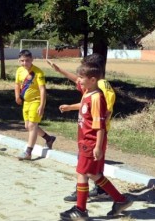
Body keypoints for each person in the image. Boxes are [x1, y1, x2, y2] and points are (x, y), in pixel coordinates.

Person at [57, 62, 132, 220]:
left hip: (91, 142)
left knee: (82, 173)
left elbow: (100, 125)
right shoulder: (88, 92)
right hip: (85, 140)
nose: (79, 80)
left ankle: (81, 210)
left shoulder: (97, 97)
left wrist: (98, 146)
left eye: (81, 78)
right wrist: (70, 107)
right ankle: (120, 200)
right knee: (93, 173)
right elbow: (84, 106)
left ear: (92, 80)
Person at [47, 54, 116, 201]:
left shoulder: (101, 89)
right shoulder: (92, 84)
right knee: (90, 169)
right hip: (89, 132)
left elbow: (104, 114)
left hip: (95, 133)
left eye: (84, 68)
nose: (80, 78)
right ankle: (101, 192)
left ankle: (86, 199)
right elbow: (77, 80)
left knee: (85, 169)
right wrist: (59, 70)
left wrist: (98, 140)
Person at [14, 49, 56, 160]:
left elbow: (42, 90)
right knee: (28, 126)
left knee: (32, 126)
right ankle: (49, 138)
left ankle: (28, 152)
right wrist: (17, 96)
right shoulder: (19, 71)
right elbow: (17, 84)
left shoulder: (38, 72)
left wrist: (42, 105)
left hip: (36, 101)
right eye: (22, 61)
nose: (24, 63)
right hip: (26, 102)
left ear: (32, 60)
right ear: (19, 61)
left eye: (27, 60)